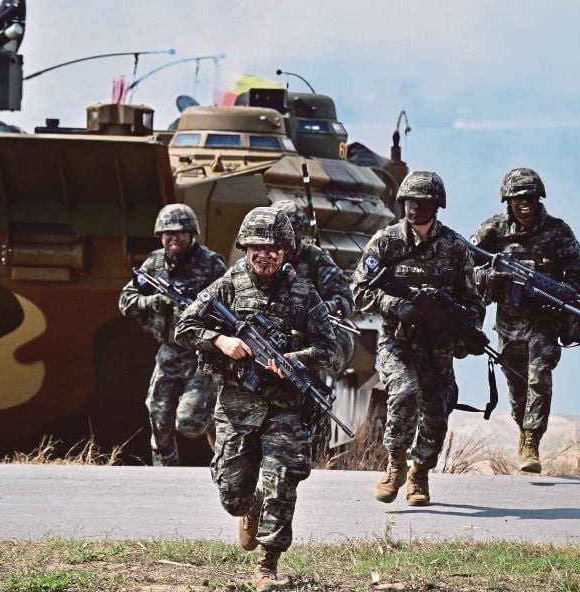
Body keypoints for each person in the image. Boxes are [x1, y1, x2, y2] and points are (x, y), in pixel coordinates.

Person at [175, 207, 335, 591]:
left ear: (286, 250)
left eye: (273, 248)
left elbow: (328, 347)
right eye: (255, 247)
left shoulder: (304, 294)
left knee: (282, 482)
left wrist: (294, 360)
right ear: (245, 249)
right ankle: (249, 508)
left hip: (286, 408)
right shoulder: (227, 286)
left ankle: (267, 566)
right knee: (232, 494)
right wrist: (221, 341)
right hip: (237, 407)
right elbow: (185, 326)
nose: (264, 255)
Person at [351, 171, 484, 506]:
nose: (414, 209)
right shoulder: (385, 242)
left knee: (437, 411)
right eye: (409, 202)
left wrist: (467, 333)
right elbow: (359, 290)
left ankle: (419, 474)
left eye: (422, 203)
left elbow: (472, 301)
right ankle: (395, 464)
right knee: (405, 391)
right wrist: (393, 304)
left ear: (436, 205)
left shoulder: (455, 247)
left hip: (438, 347)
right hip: (397, 341)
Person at [471, 168, 580, 473]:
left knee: (540, 376)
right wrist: (494, 277)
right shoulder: (492, 231)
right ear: (507, 200)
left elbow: (579, 278)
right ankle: (523, 429)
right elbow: (466, 272)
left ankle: (532, 442)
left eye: (529, 197)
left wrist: (560, 296)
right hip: (508, 324)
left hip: (544, 322)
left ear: (539, 198)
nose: (524, 203)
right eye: (517, 198)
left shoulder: (558, 232)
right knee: (517, 386)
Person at [118, 203, 227, 466]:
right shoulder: (154, 263)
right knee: (158, 412)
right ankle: (164, 472)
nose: (173, 237)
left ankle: (214, 418)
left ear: (192, 234)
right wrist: (153, 302)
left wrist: (199, 312)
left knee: (189, 422)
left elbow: (230, 308)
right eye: (167, 233)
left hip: (203, 354)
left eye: (180, 232)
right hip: (170, 351)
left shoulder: (212, 264)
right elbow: (126, 299)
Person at [272, 199, 355, 373]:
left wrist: (322, 309)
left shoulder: (316, 259)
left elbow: (345, 300)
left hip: (310, 334)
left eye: (289, 229)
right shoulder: (262, 258)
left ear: (298, 229)